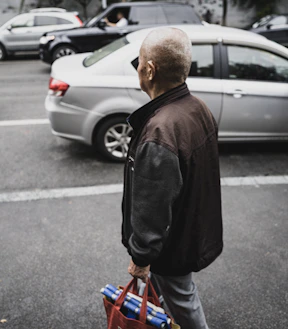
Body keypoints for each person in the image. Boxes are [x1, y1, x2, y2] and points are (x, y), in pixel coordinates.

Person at [122, 27, 223, 329]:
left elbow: (152, 206)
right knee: (175, 296)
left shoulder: (159, 131)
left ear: (149, 70)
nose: (137, 67)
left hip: (173, 245)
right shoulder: (196, 107)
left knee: (183, 301)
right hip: (192, 231)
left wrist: (141, 258)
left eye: (139, 61)